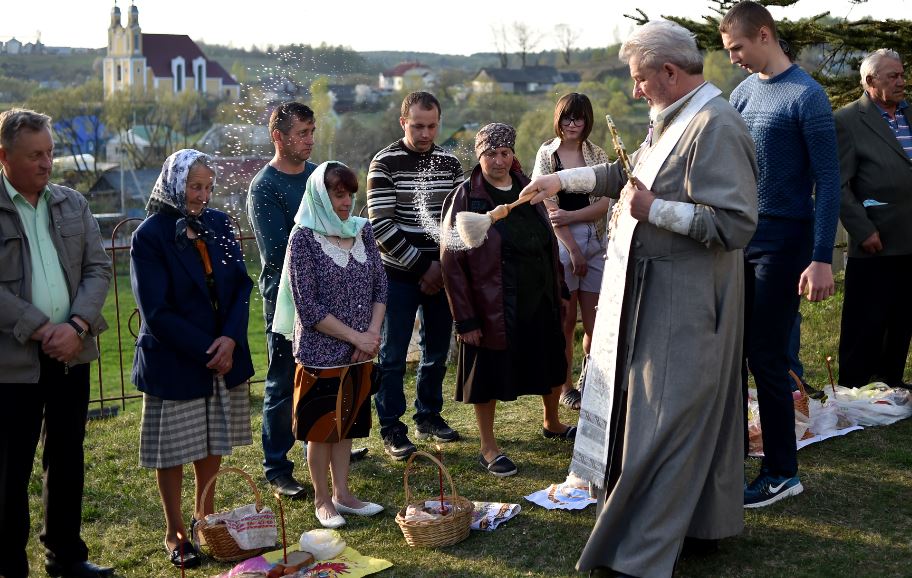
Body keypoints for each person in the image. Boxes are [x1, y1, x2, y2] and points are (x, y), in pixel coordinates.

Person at [521, 20, 758, 576]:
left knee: (663, 420)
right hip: (661, 288)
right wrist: (562, 183)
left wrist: (656, 213)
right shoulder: (676, 116)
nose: (635, 90)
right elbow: (630, 178)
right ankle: (696, 525)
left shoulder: (714, 124)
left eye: (639, 79)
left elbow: (737, 223)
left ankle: (640, 544)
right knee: (659, 415)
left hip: (689, 296)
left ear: (669, 72)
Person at [721, 0, 841, 507]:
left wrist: (821, 258)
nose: (733, 59)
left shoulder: (808, 97)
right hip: (739, 237)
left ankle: (781, 472)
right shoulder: (743, 92)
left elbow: (829, 182)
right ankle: (741, 454)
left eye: (737, 48)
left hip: (786, 240)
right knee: (736, 349)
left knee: (766, 355)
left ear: (764, 35)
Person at [0, 108, 113, 578]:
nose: (47, 163)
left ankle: (66, 557)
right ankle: (8, 564)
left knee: (66, 456)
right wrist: (42, 327)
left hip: (72, 354)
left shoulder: (71, 202)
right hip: (12, 363)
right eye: (35, 156)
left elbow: (98, 268)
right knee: (10, 467)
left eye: (50, 152)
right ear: (3, 156)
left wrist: (78, 326)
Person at [131, 149, 255, 568]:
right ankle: (176, 532)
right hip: (176, 359)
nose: (200, 195)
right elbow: (156, 311)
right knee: (172, 451)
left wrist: (230, 340)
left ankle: (205, 518)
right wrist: (211, 348)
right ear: (174, 183)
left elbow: (241, 286)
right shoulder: (150, 235)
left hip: (223, 351)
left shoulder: (219, 224)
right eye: (193, 186)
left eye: (206, 187)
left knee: (210, 440)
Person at [247, 103, 368, 499]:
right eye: (302, 132)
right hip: (289, 300)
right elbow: (281, 250)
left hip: (332, 298)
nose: (310, 139)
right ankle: (278, 465)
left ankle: (330, 442)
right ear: (278, 137)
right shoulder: (264, 186)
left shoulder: (319, 176)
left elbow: (341, 224)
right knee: (285, 382)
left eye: (312, 131)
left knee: (334, 375)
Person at [441, 123, 569, 477]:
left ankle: (552, 422)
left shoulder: (527, 190)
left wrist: (558, 288)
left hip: (537, 297)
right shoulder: (466, 198)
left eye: (504, 153)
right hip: (492, 304)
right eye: (490, 153)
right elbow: (451, 262)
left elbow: (547, 241)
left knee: (549, 361)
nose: (498, 160)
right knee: (489, 376)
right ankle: (488, 448)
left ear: (512, 154)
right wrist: (465, 319)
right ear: (479, 155)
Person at [275, 161, 386, 528]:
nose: (346, 202)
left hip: (360, 351)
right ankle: (323, 500)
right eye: (339, 194)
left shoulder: (362, 230)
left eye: (350, 194)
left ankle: (344, 494)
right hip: (321, 353)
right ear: (321, 195)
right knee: (321, 429)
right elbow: (308, 308)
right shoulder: (303, 238)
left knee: (349, 422)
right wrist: (358, 338)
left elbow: (380, 286)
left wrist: (371, 335)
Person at [367, 91, 464, 460]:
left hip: (441, 274)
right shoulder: (384, 163)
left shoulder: (449, 163)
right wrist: (425, 268)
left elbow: (454, 220)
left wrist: (442, 267)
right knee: (392, 355)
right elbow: (381, 225)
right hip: (397, 275)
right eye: (418, 126)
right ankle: (392, 427)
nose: (426, 134)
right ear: (403, 122)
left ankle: (429, 415)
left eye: (432, 125)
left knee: (437, 351)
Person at [836, 48, 912, 388]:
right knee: (866, 318)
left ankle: (890, 383)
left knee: (901, 317)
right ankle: (855, 386)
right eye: (892, 76)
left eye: (902, 74)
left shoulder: (909, 114)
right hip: (875, 239)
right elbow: (837, 184)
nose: (901, 81)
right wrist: (863, 229)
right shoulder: (848, 120)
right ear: (870, 81)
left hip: (910, 237)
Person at [531, 92, 611, 414]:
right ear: (558, 119)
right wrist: (573, 249)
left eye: (578, 118)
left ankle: (589, 382)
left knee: (595, 324)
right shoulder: (547, 155)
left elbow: (607, 202)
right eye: (566, 117)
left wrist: (575, 217)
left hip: (596, 239)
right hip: (562, 244)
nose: (572, 124)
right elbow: (550, 211)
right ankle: (566, 388)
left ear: (587, 120)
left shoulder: (597, 153)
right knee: (565, 322)